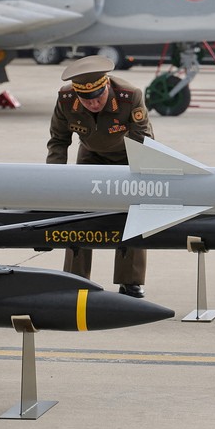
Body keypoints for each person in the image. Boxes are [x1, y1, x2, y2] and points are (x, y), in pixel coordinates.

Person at [47, 55, 153, 298]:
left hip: (129, 156)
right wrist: (54, 178)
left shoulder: (129, 96)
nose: (93, 104)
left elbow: (143, 140)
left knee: (133, 213)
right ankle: (75, 278)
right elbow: (58, 141)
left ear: (106, 87)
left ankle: (131, 281)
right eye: (86, 100)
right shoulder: (66, 99)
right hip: (91, 156)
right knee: (79, 215)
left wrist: (142, 178)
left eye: (98, 98)